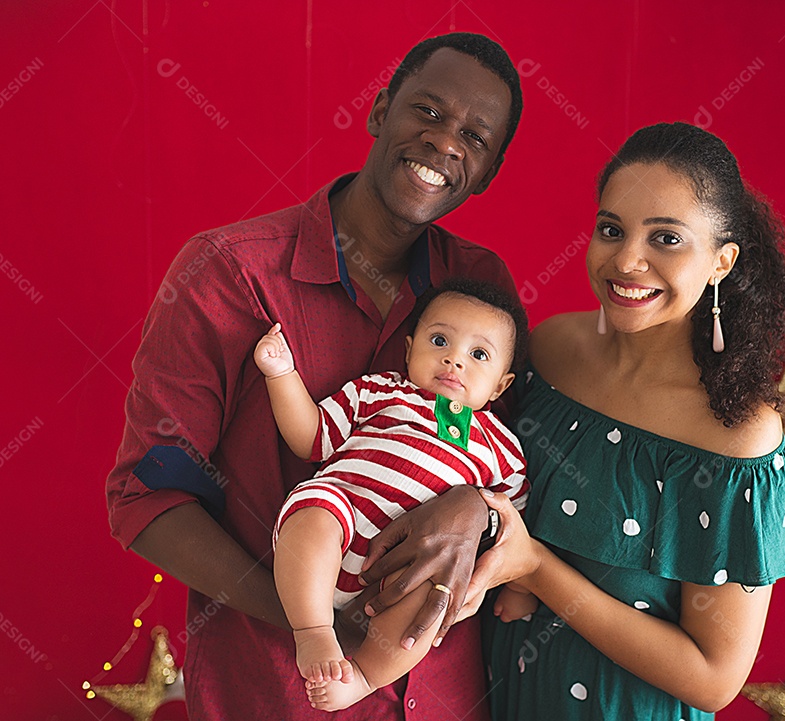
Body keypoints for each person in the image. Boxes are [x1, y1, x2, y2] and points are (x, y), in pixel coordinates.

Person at [105, 32, 523, 720]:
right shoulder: (229, 272)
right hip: (279, 692)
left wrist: (475, 510)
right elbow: (146, 499)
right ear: (380, 111)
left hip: (445, 694)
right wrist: (318, 621)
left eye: (474, 138)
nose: (445, 143)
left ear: (487, 172)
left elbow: (500, 461)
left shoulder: (482, 286)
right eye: (427, 111)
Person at [472, 122, 785, 720]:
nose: (627, 260)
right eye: (612, 230)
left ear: (721, 262)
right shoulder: (548, 351)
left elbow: (713, 679)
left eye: (666, 238)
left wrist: (536, 569)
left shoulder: (737, 436)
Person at [254, 279, 529, 712]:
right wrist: (281, 374)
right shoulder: (380, 391)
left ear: (500, 386)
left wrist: (517, 589)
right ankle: (313, 632)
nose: (454, 359)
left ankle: (364, 675)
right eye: (440, 341)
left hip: (407, 566)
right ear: (409, 349)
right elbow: (311, 437)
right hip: (340, 524)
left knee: (435, 593)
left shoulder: (502, 448)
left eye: (479, 355)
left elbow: (511, 529)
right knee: (316, 509)